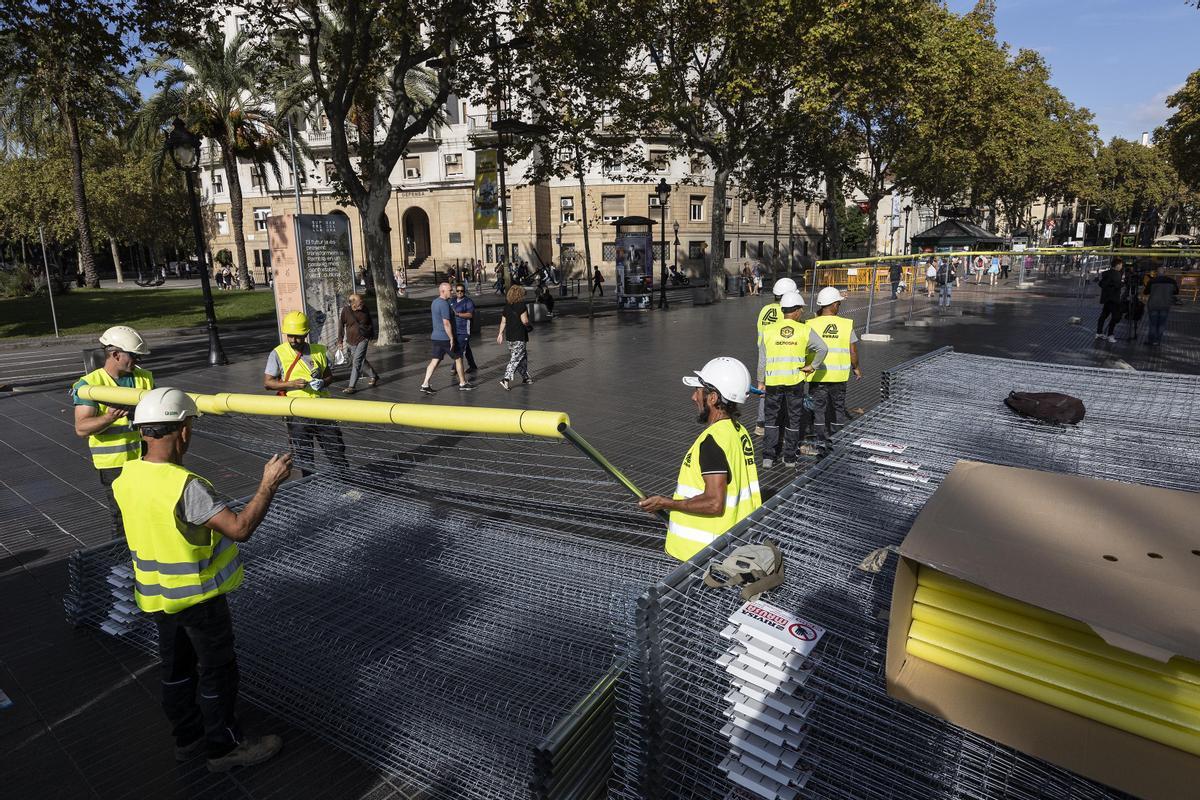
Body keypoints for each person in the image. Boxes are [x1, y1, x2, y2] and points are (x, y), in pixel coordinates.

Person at [113, 387, 291, 772]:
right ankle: (224, 748)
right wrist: (269, 484)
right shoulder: (185, 485)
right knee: (217, 672)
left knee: (175, 672)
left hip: (159, 598)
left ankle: (187, 740)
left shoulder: (127, 475)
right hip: (199, 600)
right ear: (182, 431)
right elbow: (239, 528)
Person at [637, 357, 762, 562]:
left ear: (712, 398)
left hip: (701, 557)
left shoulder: (712, 441)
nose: (694, 397)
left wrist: (666, 503)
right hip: (731, 546)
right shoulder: (738, 431)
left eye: (699, 391)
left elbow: (714, 503)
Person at [72, 325, 155, 538]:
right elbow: (81, 428)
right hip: (114, 464)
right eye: (134, 356)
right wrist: (109, 417)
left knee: (149, 511)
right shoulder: (89, 384)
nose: (137, 361)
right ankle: (122, 562)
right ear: (115, 354)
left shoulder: (144, 377)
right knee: (122, 517)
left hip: (146, 458)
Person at [262, 311, 348, 475]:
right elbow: (268, 383)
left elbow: (329, 376)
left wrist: (323, 382)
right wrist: (291, 384)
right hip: (297, 413)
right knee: (304, 455)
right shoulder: (278, 353)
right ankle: (310, 488)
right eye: (291, 336)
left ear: (307, 333)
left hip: (323, 410)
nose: (294, 340)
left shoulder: (319, 351)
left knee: (336, 449)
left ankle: (346, 482)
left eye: (298, 336)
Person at [760, 291, 827, 468]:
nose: (802, 313)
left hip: (773, 382)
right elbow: (822, 348)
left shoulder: (768, 330)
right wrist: (812, 366)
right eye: (801, 310)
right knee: (793, 419)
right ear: (796, 310)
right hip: (795, 382)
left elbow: (762, 360)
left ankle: (768, 457)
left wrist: (761, 381)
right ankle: (789, 458)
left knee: (771, 419)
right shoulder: (804, 329)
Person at [808, 287, 862, 454]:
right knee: (838, 409)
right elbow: (852, 351)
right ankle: (837, 441)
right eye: (838, 303)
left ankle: (819, 443)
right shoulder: (846, 325)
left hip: (817, 376)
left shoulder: (810, 324)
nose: (839, 306)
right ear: (832, 305)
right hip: (839, 377)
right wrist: (856, 368)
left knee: (819, 410)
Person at [754, 277, 796, 436]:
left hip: (764, 353)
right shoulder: (785, 312)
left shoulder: (765, 309)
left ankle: (761, 424)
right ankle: (780, 422)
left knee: (765, 389)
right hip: (780, 354)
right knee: (782, 390)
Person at [420, 282, 473, 393]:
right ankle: (463, 383)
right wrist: (452, 338)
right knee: (458, 358)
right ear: (443, 291)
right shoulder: (444, 304)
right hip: (445, 338)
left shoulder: (434, 302)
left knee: (435, 361)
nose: (452, 292)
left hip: (436, 337)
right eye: (450, 290)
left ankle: (425, 384)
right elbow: (446, 323)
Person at [336, 293, 380, 394]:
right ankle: (374, 375)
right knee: (361, 360)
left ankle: (351, 386)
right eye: (360, 302)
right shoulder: (346, 311)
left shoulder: (365, 309)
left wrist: (372, 335)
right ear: (353, 303)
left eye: (363, 302)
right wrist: (340, 340)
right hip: (351, 340)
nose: (362, 304)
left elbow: (370, 323)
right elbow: (341, 325)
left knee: (356, 361)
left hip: (363, 339)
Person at [496, 284, 532, 390]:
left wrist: (500, 334)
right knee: (516, 358)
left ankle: (525, 377)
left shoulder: (507, 306)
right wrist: (529, 326)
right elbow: (524, 321)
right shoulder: (521, 305)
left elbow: (503, 322)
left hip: (510, 336)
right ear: (520, 294)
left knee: (522, 357)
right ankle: (505, 379)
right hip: (519, 336)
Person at [1143, 266, 1179, 346]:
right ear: (1165, 272)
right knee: (1161, 324)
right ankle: (1157, 341)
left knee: (1153, 324)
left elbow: (1145, 292)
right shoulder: (1172, 281)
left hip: (1153, 305)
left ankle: (1151, 341)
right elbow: (1176, 292)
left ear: (1156, 273)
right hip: (1165, 305)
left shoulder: (1152, 281)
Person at [1095, 258, 1126, 343]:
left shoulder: (1106, 273)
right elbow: (1117, 285)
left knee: (1104, 315)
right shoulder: (1116, 274)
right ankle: (1110, 334)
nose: (1121, 267)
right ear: (1118, 265)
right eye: (1121, 265)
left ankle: (1099, 332)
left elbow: (1101, 284)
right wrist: (1122, 283)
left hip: (1106, 298)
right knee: (1115, 316)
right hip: (1113, 299)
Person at [450, 282, 479, 373]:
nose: (459, 292)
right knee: (465, 348)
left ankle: (454, 367)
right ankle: (472, 365)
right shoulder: (452, 300)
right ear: (455, 291)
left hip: (464, 330)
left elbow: (470, 315)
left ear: (464, 291)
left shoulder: (468, 301)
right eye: (457, 291)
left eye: (461, 291)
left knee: (460, 348)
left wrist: (458, 314)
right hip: (455, 329)